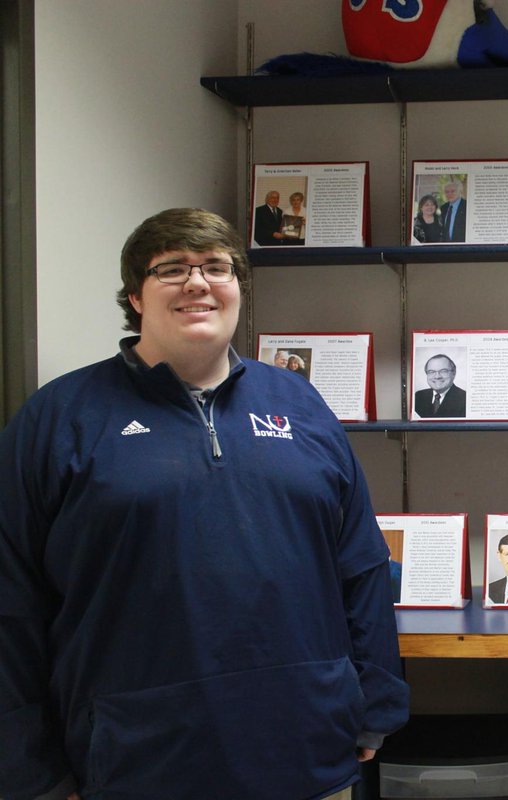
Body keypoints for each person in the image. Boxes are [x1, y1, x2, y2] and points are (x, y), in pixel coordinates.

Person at [0, 208, 410, 800]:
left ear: (238, 287)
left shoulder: (300, 403)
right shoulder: (59, 418)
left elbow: (361, 563)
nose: (197, 283)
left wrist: (377, 697)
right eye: (171, 269)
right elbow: (12, 598)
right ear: (135, 297)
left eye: (216, 268)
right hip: (133, 763)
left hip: (305, 750)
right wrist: (31, 768)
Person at [413, 354, 467, 418]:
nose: (437, 376)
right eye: (431, 372)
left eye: (443, 371)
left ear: (454, 373)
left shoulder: (465, 399)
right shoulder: (419, 396)